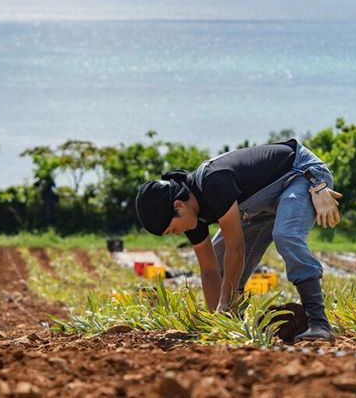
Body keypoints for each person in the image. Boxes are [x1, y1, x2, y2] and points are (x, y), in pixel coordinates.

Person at [135, 139, 342, 343]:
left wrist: (224, 302)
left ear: (178, 206)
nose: (178, 234)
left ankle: (319, 323)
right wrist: (218, 323)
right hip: (265, 203)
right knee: (218, 258)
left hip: (303, 174)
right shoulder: (192, 217)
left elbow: (236, 248)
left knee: (286, 235)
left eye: (172, 229)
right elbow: (209, 270)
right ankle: (234, 324)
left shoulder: (213, 183)